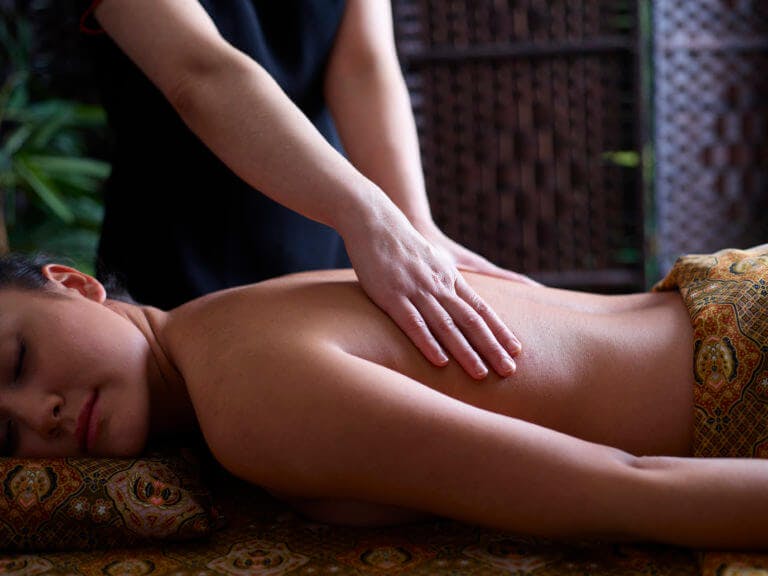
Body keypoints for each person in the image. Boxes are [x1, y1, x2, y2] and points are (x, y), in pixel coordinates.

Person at [1, 244, 767, 550]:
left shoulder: (244, 394)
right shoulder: (233, 316)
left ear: (73, 284)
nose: (42, 415)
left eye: (17, 361)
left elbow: (625, 488)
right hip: (723, 301)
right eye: (5, 438)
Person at [78, 0, 537, 381]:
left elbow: (363, 64)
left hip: (340, 241)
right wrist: (370, 216)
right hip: (182, 253)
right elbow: (199, 73)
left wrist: (412, 225)